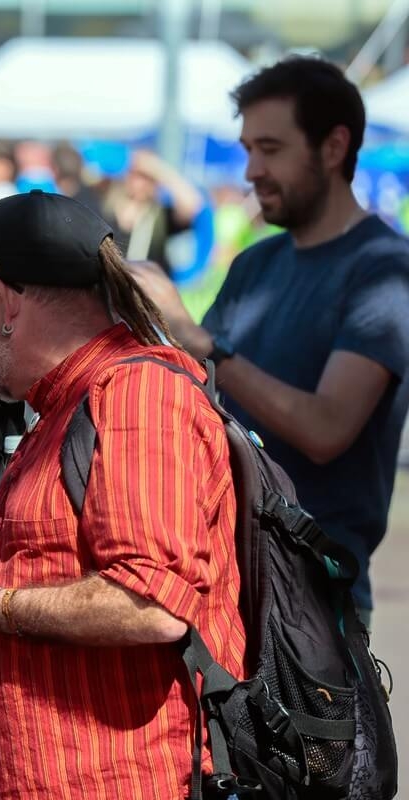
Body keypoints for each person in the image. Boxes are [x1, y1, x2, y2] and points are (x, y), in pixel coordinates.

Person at [0, 191, 247, 798]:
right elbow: (58, 578)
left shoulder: (136, 397)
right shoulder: (69, 403)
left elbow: (153, 604)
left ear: (4, 301)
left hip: (133, 782)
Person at [130, 55, 409, 624]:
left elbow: (326, 429)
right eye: (248, 149)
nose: (252, 170)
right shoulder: (256, 263)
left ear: (333, 147)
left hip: (312, 602)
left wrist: (200, 340)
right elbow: (193, 391)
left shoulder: (383, 270)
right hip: (218, 578)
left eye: (271, 149)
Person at [99, 148, 205, 273]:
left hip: (146, 282)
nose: (140, 182)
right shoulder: (105, 208)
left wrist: (156, 168)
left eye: (148, 177)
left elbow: (193, 204)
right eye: (136, 174)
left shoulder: (160, 216)